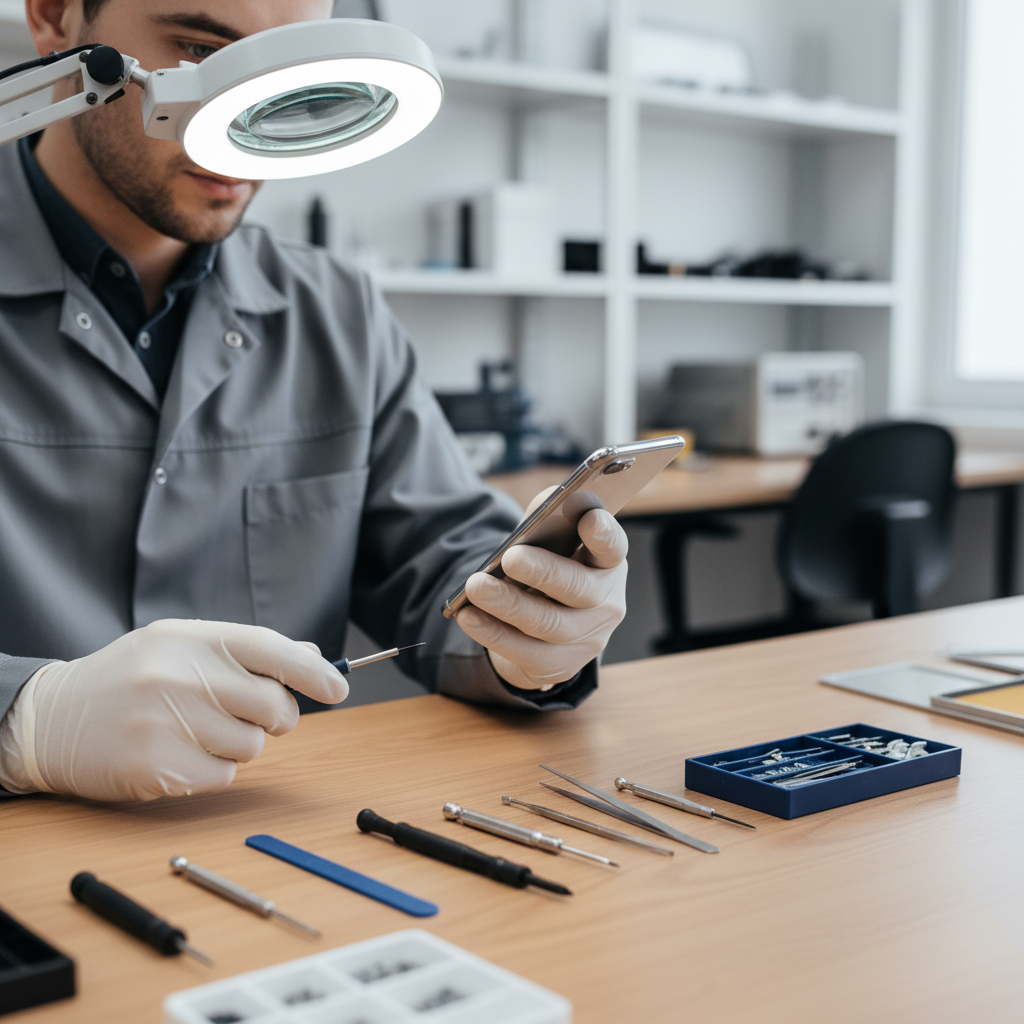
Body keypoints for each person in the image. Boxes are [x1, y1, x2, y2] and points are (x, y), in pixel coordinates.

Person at [0, 0, 629, 803]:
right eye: (200, 53)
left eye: (287, 75)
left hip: (280, 854)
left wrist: (534, 622)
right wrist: (24, 721)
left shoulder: (339, 313)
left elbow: (441, 566)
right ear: (55, 19)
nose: (245, 118)